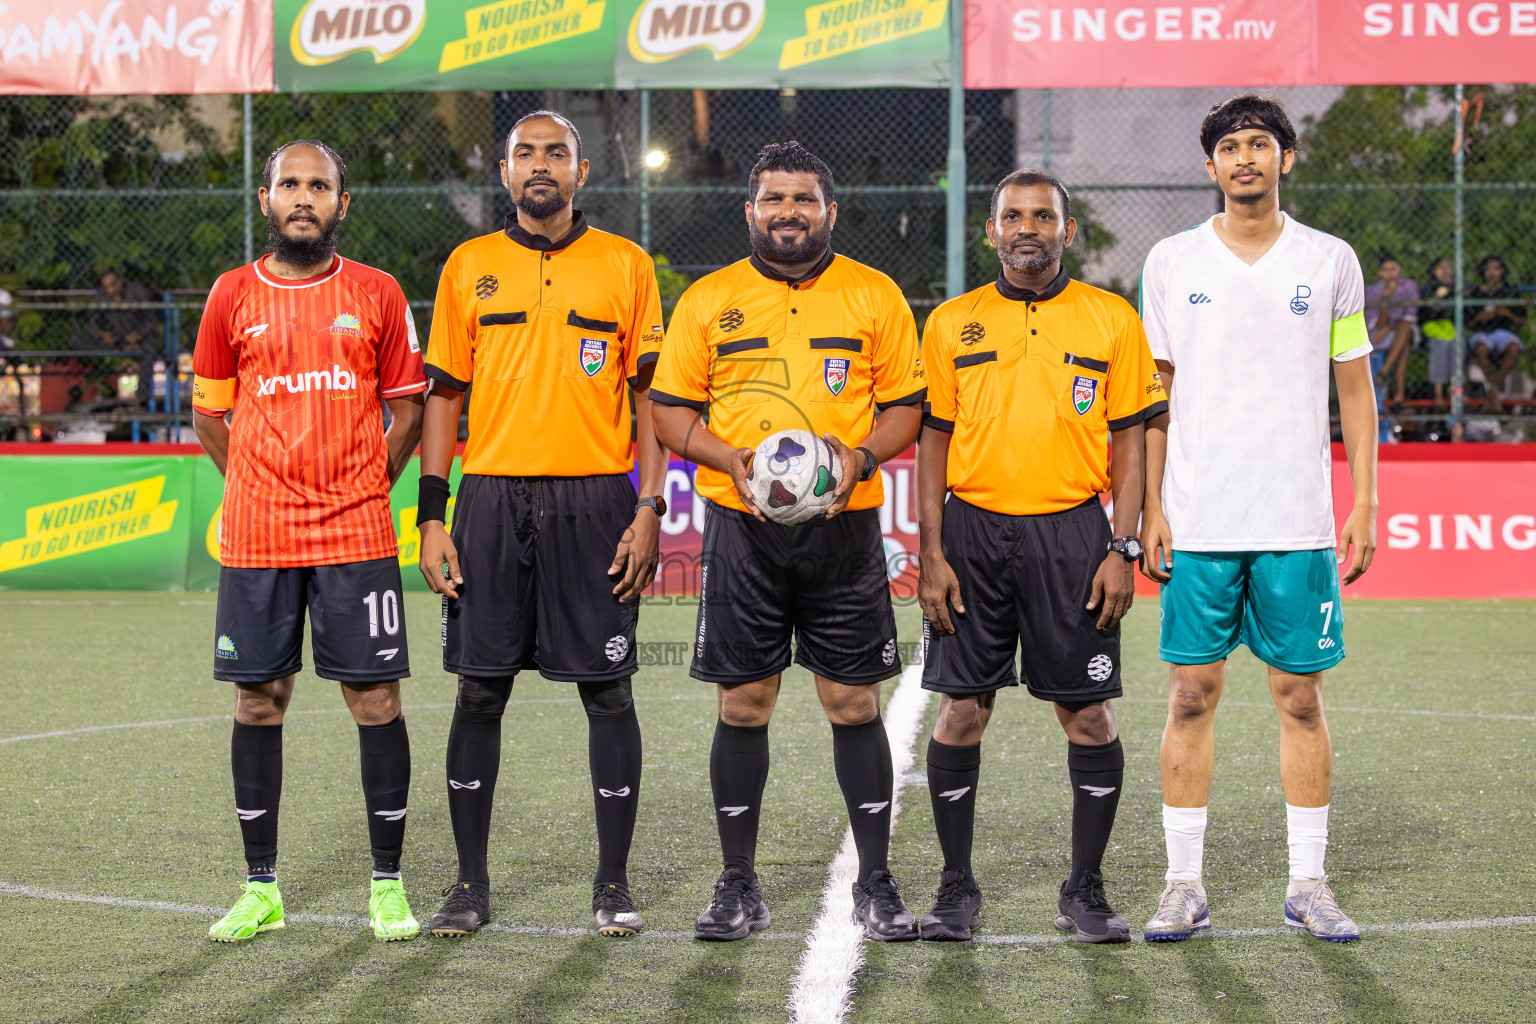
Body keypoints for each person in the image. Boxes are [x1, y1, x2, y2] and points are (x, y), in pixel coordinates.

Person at [650, 142, 926, 942]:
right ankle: (737, 882)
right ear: (750, 210)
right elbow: (671, 413)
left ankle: (874, 880)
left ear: (829, 211)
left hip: (844, 530)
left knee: (851, 701)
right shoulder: (709, 300)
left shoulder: (874, 296)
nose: (789, 213)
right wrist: (730, 460)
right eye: (774, 199)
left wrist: (862, 456)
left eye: (804, 200)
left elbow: (905, 408)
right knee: (744, 702)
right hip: (742, 531)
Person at [418, 110, 667, 940]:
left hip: (596, 501)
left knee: (608, 691)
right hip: (488, 500)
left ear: (582, 171)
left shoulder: (626, 266)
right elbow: (443, 401)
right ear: (503, 171)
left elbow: (649, 405)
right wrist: (431, 515)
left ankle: (612, 883)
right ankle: (468, 885)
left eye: (556, 153)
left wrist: (648, 506)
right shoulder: (469, 266)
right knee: (480, 691)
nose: (540, 166)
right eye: (526, 153)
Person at [1138, 95, 1378, 943]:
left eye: (1260, 145)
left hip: (1298, 521)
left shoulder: (1330, 259)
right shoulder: (1170, 261)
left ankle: (1309, 883)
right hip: (1199, 518)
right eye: (1231, 147)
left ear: (1286, 158)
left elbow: (1355, 385)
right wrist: (1150, 506)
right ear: (1211, 167)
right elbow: (1153, 395)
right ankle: (1181, 885)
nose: (1246, 158)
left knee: (1299, 698)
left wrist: (1366, 500)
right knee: (1190, 693)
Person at [916, 169, 1166, 944]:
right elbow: (932, 444)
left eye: (1043, 216)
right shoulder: (952, 322)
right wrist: (930, 550)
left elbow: (1130, 445)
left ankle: (1084, 891)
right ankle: (956, 888)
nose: (1028, 228)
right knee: (963, 709)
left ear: (1068, 231)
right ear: (989, 231)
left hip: (1073, 536)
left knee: (1087, 715)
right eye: (1013, 216)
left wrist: (1122, 546)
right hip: (972, 533)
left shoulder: (1111, 320)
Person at [192, 140, 428, 942]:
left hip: (356, 533)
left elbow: (408, 412)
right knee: (258, 700)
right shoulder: (230, 296)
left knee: (377, 699)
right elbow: (207, 413)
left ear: (342, 203)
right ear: (266, 199)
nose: (303, 196)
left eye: (319, 185)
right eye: (288, 183)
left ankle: (387, 884)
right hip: (257, 538)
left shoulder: (378, 294)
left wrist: (368, 484)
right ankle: (261, 887)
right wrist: (256, 485)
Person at [1467, 255, 1525, 410]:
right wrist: (1479, 317)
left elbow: (1522, 319)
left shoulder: (1510, 292)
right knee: (1481, 348)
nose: (1492, 273)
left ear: (1502, 272)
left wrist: (1507, 313)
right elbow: (1467, 321)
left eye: (1496, 269)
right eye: (1488, 269)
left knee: (1513, 348)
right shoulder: (1476, 293)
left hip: (1503, 331)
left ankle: (1494, 385)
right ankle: (1493, 388)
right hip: (1483, 332)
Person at [1363, 255, 1417, 409]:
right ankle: (1399, 392)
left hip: (1404, 328)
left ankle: (1385, 371)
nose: (1390, 273)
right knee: (1403, 344)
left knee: (1404, 327)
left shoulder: (1409, 286)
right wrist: (1384, 301)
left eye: (1393, 269)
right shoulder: (1373, 291)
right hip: (1384, 332)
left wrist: (1390, 328)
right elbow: (1378, 323)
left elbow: (1410, 316)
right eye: (1386, 270)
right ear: (1380, 273)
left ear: (1399, 271)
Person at [1420, 258, 1458, 411]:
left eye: (1448, 267)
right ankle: (1438, 392)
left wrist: (1451, 288)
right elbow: (1424, 313)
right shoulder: (1428, 289)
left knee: (1457, 344)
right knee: (1440, 345)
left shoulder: (1457, 289)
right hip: (1431, 328)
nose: (1446, 270)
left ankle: (1456, 390)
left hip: (1450, 330)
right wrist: (1437, 298)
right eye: (1441, 268)